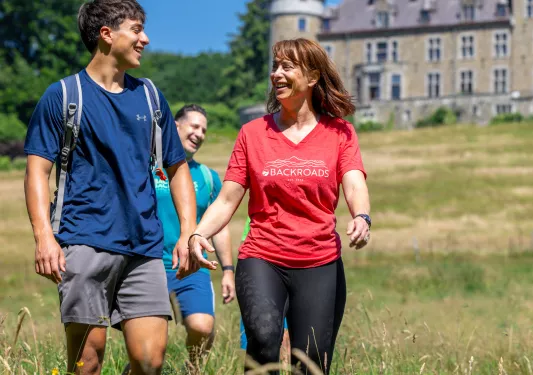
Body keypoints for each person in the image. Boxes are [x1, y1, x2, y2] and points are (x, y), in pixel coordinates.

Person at [23, 1, 199, 374]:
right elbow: (37, 171)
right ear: (107, 34)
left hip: (144, 247)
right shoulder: (64, 96)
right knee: (87, 363)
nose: (145, 39)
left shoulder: (150, 97)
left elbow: (178, 167)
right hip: (83, 240)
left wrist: (187, 232)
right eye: (136, 30)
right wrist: (43, 236)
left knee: (150, 361)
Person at [188, 38, 371, 374]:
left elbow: (355, 181)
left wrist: (362, 216)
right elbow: (228, 198)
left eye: (288, 66)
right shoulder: (252, 133)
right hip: (263, 256)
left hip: (319, 261)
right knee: (263, 338)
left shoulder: (340, 133)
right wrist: (199, 234)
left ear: (313, 76)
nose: (277, 74)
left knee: (312, 360)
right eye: (275, 66)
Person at [155, 104, 235, 367]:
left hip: (192, 268)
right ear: (176, 126)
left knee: (202, 327)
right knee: (150, 348)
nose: (200, 134)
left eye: (204, 130)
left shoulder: (208, 177)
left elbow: (219, 227)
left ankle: (193, 370)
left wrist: (227, 270)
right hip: (149, 267)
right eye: (194, 126)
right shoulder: (148, 168)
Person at [238, 217, 289, 364]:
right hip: (264, 277)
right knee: (259, 340)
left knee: (288, 340)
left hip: (297, 272)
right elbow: (244, 247)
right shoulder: (258, 213)